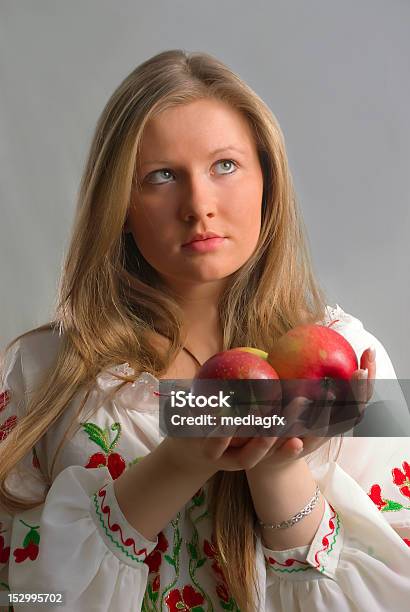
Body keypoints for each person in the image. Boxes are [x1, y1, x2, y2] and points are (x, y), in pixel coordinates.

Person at [0, 49, 409, 612]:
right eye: (161, 176)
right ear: (117, 201)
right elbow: (24, 597)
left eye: (225, 166)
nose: (199, 206)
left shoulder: (357, 362)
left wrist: (280, 467)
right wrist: (180, 461)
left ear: (268, 177)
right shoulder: (42, 371)